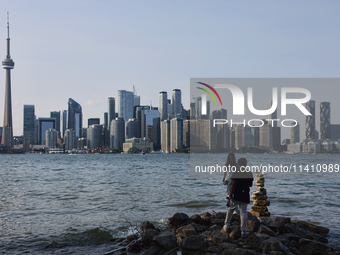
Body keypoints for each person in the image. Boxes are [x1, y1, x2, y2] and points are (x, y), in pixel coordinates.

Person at [223, 157, 253, 238]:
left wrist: (231, 194)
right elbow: (250, 184)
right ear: (246, 164)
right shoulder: (249, 172)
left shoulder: (236, 172)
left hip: (236, 194)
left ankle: (226, 226)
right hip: (245, 194)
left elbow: (234, 184)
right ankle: (243, 231)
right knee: (243, 213)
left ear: (239, 164)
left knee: (230, 209)